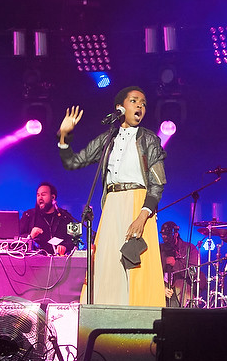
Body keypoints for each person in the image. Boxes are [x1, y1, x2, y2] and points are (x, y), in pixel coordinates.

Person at [58, 86, 167, 306]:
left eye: (143, 103)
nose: (140, 106)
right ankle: (103, 319)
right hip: (112, 204)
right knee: (107, 265)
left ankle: (141, 322)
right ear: (120, 107)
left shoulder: (149, 139)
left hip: (139, 203)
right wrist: (64, 136)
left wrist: (143, 215)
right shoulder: (108, 138)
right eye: (134, 101)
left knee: (137, 266)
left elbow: (158, 183)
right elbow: (73, 162)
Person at [19, 181, 78, 255]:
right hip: (35, 259)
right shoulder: (29, 215)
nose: (40, 198)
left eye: (43, 195)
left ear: (53, 197)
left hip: (59, 261)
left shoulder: (65, 216)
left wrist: (65, 246)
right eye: (38, 195)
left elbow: (75, 239)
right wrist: (30, 236)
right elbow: (17, 239)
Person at [160, 221, 202, 306]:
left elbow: (193, 272)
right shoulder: (159, 249)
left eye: (167, 234)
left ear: (175, 234)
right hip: (162, 289)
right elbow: (152, 271)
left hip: (182, 290)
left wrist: (175, 264)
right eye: (162, 234)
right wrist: (161, 287)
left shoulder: (189, 249)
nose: (164, 237)